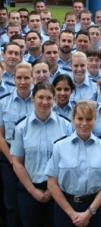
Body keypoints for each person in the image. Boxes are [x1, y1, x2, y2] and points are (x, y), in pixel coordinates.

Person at [45, 100, 101, 227]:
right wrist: (72, 213)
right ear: (73, 119)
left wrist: (89, 213)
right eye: (80, 118)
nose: (84, 123)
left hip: (95, 208)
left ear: (95, 120)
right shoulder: (59, 146)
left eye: (89, 119)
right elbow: (51, 183)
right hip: (65, 209)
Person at [11, 81, 72, 227]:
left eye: (49, 98)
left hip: (59, 192)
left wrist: (53, 190)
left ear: (54, 99)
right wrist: (33, 191)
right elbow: (17, 162)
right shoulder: (21, 127)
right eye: (40, 97)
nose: (45, 102)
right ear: (33, 98)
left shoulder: (66, 125)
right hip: (30, 190)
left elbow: (69, 161)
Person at [0, 63, 34, 227]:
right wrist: (13, 161)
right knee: (11, 204)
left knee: (32, 205)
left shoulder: (40, 100)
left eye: (26, 78)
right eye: (19, 78)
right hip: (9, 159)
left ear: (33, 79)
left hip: (33, 160)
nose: (23, 82)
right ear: (13, 79)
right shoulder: (3, 102)